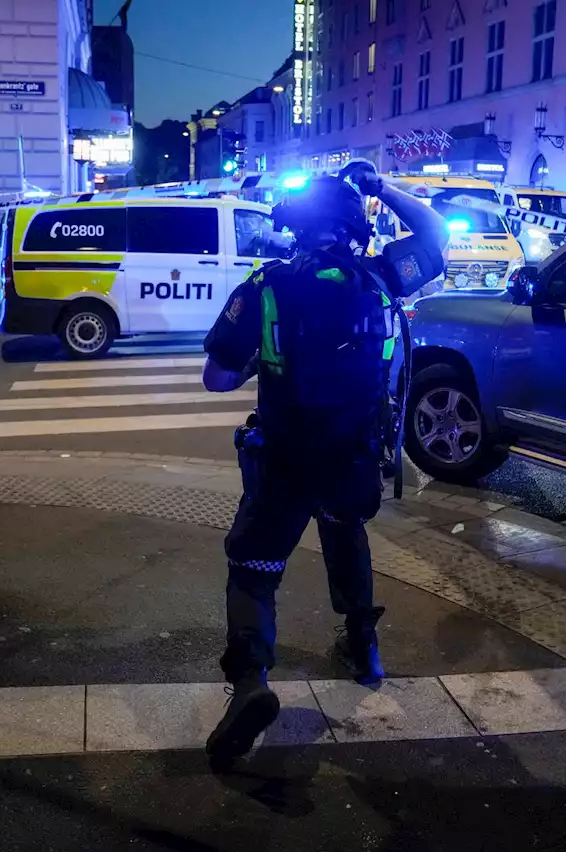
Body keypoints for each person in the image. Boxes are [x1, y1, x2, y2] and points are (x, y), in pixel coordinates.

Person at [201, 160, 448, 770]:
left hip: (284, 459)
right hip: (354, 458)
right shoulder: (384, 275)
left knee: (253, 567)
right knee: (345, 533)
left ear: (294, 228)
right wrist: (383, 187)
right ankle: (363, 646)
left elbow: (217, 377)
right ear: (354, 225)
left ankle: (253, 680)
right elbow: (437, 234)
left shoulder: (265, 286)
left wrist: (265, 362)